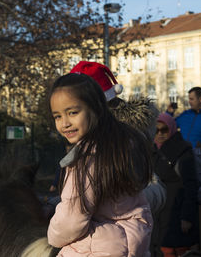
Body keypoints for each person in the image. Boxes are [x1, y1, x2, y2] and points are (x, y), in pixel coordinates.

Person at [47, 73, 153, 256]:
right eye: (57, 116)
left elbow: (71, 220)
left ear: (95, 109)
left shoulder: (87, 158)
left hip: (99, 248)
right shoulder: (122, 144)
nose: (64, 123)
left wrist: (52, 236)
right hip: (132, 243)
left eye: (72, 112)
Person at [70, 61, 166, 215]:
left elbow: (152, 189)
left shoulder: (127, 134)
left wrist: (117, 205)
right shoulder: (87, 130)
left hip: (130, 225)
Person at [152, 113, 199, 257]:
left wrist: (187, 217)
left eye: (164, 130)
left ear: (172, 129)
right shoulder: (151, 149)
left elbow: (191, 186)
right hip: (160, 214)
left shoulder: (182, 151)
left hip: (177, 213)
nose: (160, 134)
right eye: (156, 130)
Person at [167, 86, 201, 152]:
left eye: (192, 99)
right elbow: (169, 126)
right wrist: (169, 113)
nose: (189, 102)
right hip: (182, 156)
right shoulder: (185, 114)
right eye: (189, 99)